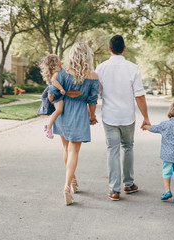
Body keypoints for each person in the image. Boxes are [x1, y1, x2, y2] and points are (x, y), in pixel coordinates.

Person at [96, 35, 150, 201]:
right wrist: (146, 118)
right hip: (127, 116)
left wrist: (90, 114)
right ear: (124, 48)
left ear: (109, 49)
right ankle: (128, 183)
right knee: (128, 147)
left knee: (112, 150)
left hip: (109, 116)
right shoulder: (133, 67)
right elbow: (139, 95)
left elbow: (95, 94)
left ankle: (114, 190)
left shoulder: (100, 68)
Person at [51, 42, 99, 206]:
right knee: (74, 150)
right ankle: (66, 186)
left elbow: (54, 93)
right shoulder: (92, 76)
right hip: (79, 113)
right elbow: (93, 100)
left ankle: (71, 180)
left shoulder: (63, 74)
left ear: (71, 56)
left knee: (66, 148)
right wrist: (92, 116)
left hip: (64, 112)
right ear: (88, 56)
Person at [142, 102, 174, 205]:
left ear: (170, 111)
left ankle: (167, 191)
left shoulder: (164, 124)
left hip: (167, 155)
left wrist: (145, 126)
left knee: (166, 172)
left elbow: (153, 128)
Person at [38, 54, 66, 139]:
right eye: (59, 60)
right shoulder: (56, 73)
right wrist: (61, 89)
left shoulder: (57, 72)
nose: (61, 61)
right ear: (55, 63)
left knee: (58, 110)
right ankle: (48, 126)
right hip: (57, 95)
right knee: (59, 110)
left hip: (56, 94)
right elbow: (53, 81)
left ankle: (48, 126)